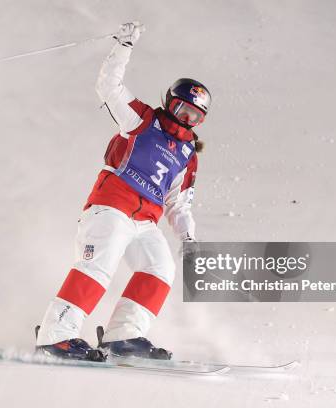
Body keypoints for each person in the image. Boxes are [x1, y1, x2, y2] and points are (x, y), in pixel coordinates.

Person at [35, 22, 212, 361]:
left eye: (195, 116)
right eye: (181, 110)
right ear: (169, 103)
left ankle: (123, 336)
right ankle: (55, 336)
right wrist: (124, 46)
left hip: (145, 220)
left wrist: (188, 239)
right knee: (97, 265)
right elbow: (108, 86)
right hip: (112, 206)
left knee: (160, 268)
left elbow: (178, 204)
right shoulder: (143, 121)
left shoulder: (188, 157)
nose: (186, 119)